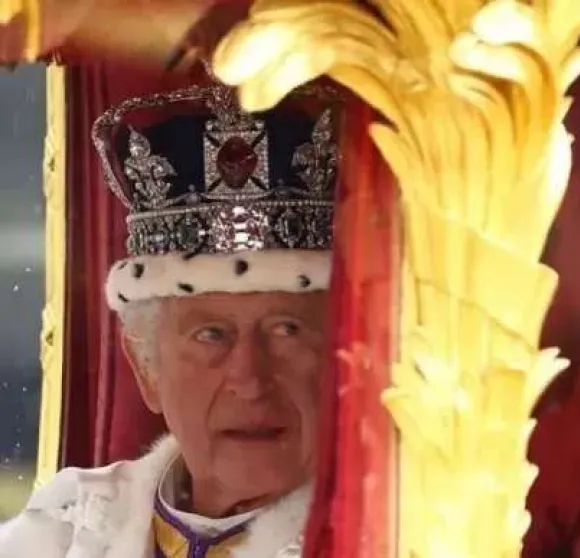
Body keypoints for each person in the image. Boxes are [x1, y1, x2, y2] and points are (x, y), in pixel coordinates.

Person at [0, 70, 341, 557]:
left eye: (286, 329)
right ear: (145, 368)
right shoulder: (64, 531)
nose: (250, 377)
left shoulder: (400, 533)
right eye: (212, 335)